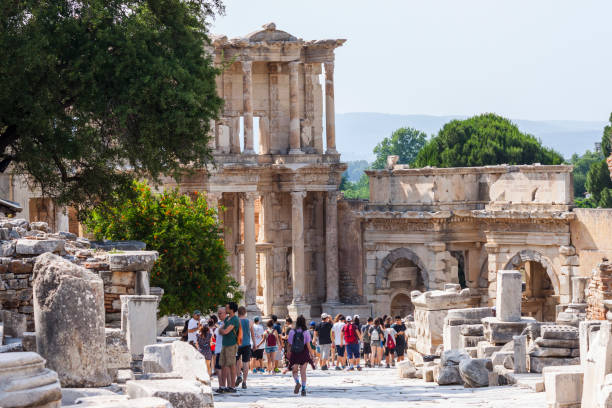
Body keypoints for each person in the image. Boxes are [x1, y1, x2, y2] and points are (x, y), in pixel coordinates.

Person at [287, 315, 315, 396]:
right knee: (303, 372)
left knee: (294, 371)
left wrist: (288, 353)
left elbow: (289, 344)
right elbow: (308, 345)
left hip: (295, 354)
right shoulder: (306, 332)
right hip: (304, 354)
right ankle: (303, 389)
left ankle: (297, 382)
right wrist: (312, 355)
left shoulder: (292, 331)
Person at [219, 302, 241, 393]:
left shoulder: (235, 319)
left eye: (227, 307)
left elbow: (225, 331)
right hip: (225, 344)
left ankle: (232, 386)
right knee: (223, 365)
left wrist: (221, 330)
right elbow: (221, 329)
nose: (225, 309)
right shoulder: (228, 318)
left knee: (232, 365)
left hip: (231, 345)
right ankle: (223, 386)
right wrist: (221, 330)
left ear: (231, 309)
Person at [235, 306, 255, 389]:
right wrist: (255, 344)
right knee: (246, 363)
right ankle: (244, 382)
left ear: (238, 313)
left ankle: (239, 375)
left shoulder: (236, 321)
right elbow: (252, 334)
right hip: (247, 344)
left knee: (237, 361)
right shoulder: (250, 322)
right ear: (245, 312)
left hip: (237, 344)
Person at [213, 307, 226, 392]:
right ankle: (222, 386)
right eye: (218, 313)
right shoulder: (220, 324)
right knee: (220, 368)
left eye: (220, 313)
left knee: (219, 368)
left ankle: (222, 386)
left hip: (222, 348)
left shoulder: (224, 324)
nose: (219, 314)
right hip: (219, 348)